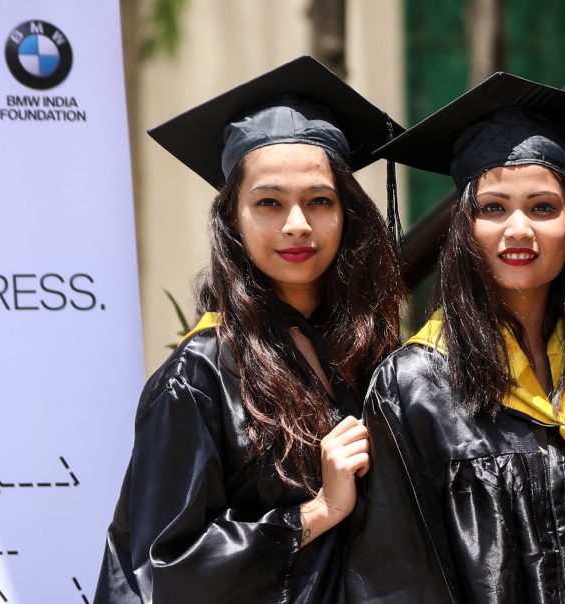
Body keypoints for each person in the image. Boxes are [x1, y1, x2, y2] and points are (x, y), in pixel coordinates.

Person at [95, 56, 406, 604]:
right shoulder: (200, 375)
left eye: (319, 200)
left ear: (347, 213)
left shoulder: (370, 350)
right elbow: (160, 572)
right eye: (268, 202)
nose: (296, 224)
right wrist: (318, 511)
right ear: (232, 218)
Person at [342, 72, 565, 603]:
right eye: (493, 208)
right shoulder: (416, 387)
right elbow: (397, 579)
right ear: (463, 228)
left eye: (543, 207)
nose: (519, 229)